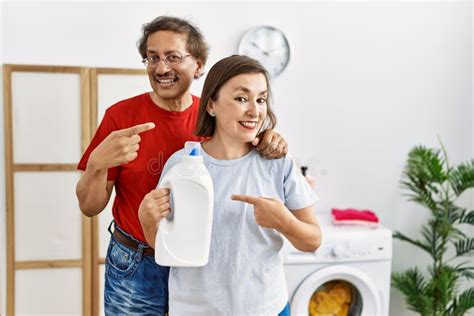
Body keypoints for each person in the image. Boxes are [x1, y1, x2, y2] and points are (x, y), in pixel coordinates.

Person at [75, 17, 288, 315]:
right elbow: (89, 206)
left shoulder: (217, 117)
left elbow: (250, 145)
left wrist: (270, 138)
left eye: (173, 57)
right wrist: (97, 164)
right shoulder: (120, 117)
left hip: (201, 267)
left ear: (199, 65)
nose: (161, 68)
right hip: (137, 263)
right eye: (152, 58)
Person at [139, 55, 322, 315]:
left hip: (265, 308)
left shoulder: (278, 163)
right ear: (211, 104)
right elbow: (168, 249)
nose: (255, 111)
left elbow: (313, 241)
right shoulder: (181, 165)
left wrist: (283, 221)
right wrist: (147, 221)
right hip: (194, 309)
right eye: (241, 98)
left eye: (261, 99)